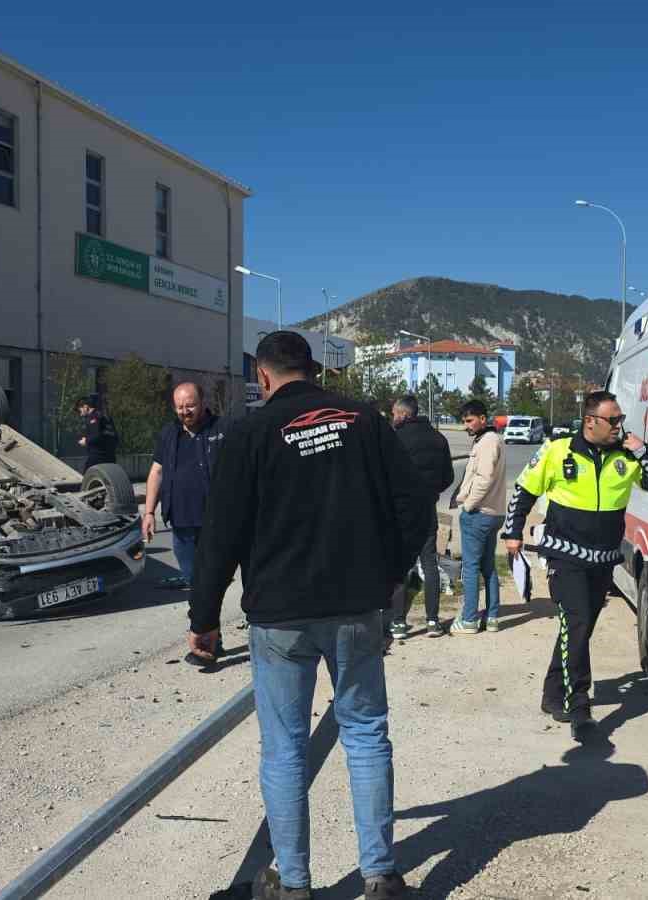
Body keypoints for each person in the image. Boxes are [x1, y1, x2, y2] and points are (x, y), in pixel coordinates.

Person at [188, 331, 428, 900]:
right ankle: (381, 876)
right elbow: (414, 503)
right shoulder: (365, 420)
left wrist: (204, 618)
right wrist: (390, 573)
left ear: (263, 377)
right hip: (355, 606)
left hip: (280, 616)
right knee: (367, 734)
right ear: (312, 370)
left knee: (285, 747)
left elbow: (220, 535)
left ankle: (293, 884)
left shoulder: (250, 434)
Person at [501, 391, 648, 737]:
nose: (619, 427)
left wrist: (641, 449)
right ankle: (579, 707)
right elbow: (524, 490)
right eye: (614, 420)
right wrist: (512, 531)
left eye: (621, 420)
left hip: (603, 561)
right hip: (565, 558)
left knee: (577, 630)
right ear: (590, 421)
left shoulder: (627, 455)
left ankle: (552, 693)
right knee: (576, 625)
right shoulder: (557, 450)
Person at [143, 382, 227, 590]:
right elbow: (157, 472)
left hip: (217, 521)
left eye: (190, 406)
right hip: (181, 523)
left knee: (215, 580)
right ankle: (202, 619)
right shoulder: (169, 433)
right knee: (193, 580)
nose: (184, 412)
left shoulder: (223, 428)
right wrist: (149, 513)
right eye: (179, 407)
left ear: (202, 403)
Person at [387, 395, 454, 639]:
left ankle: (398, 622)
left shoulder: (395, 438)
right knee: (430, 564)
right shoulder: (438, 439)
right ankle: (433, 621)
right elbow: (448, 476)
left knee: (401, 564)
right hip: (428, 509)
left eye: (394, 413)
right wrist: (432, 491)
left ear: (404, 414)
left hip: (402, 512)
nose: (393, 417)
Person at [449, 400, 507, 634]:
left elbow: (484, 479)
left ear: (483, 418)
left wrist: (469, 505)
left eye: (470, 420)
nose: (467, 426)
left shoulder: (488, 442)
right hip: (493, 513)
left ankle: (470, 619)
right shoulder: (492, 440)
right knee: (487, 566)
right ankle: (492, 617)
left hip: (480, 513)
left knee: (471, 568)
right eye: (464, 421)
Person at [75, 394, 117, 469]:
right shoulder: (106, 417)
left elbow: (96, 436)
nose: (80, 414)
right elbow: (115, 437)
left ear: (85, 407)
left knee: (88, 477)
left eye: (79, 410)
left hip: (97, 457)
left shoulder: (93, 417)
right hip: (111, 456)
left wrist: (86, 441)